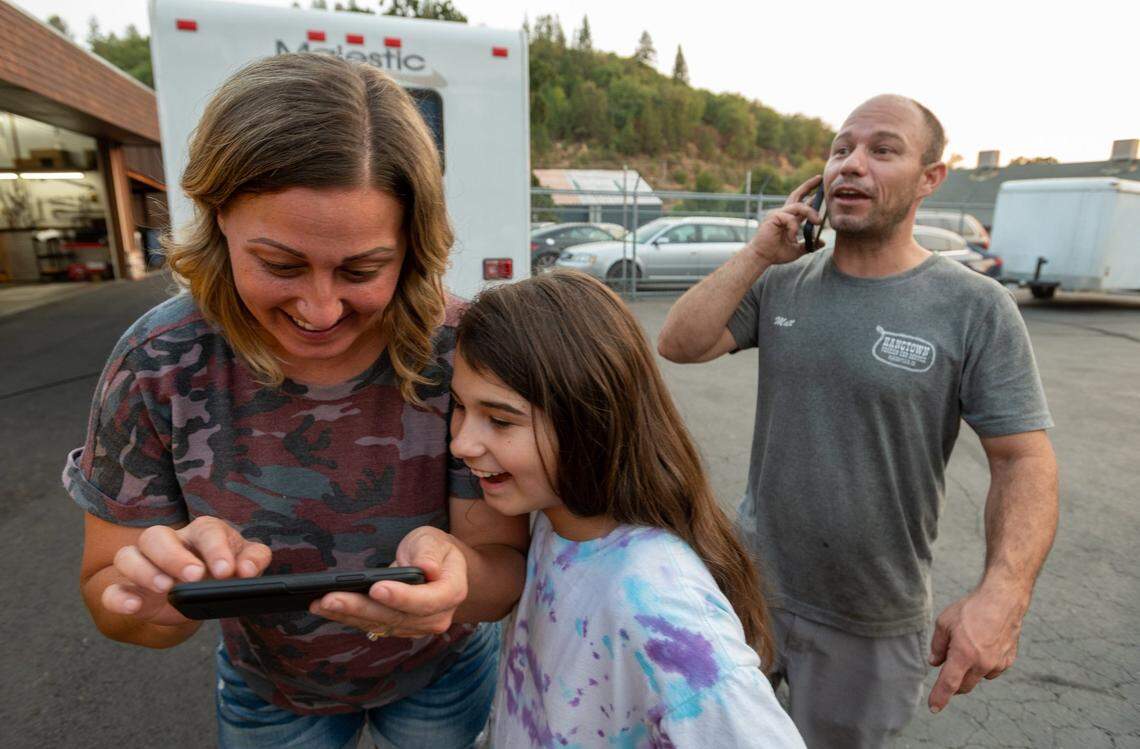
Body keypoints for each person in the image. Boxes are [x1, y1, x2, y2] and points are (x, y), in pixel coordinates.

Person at [62, 54, 528, 749]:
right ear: (219, 217)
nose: (320, 307)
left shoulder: (461, 350)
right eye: (279, 264)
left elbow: (502, 565)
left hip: (442, 673)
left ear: (412, 245)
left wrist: (459, 584)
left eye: (362, 269)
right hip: (270, 692)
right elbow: (110, 593)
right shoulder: (155, 361)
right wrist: (157, 597)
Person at [657, 95, 1059, 747]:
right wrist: (760, 252)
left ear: (931, 178)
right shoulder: (784, 282)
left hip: (870, 618)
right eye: (841, 148)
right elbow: (679, 342)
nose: (852, 164)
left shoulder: (973, 307)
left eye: (883, 149)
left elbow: (1023, 458)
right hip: (748, 592)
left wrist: (1005, 589)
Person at [449, 271, 805, 748]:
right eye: (458, 407)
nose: (461, 443)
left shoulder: (660, 605)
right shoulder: (554, 517)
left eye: (499, 419)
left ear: (589, 416)